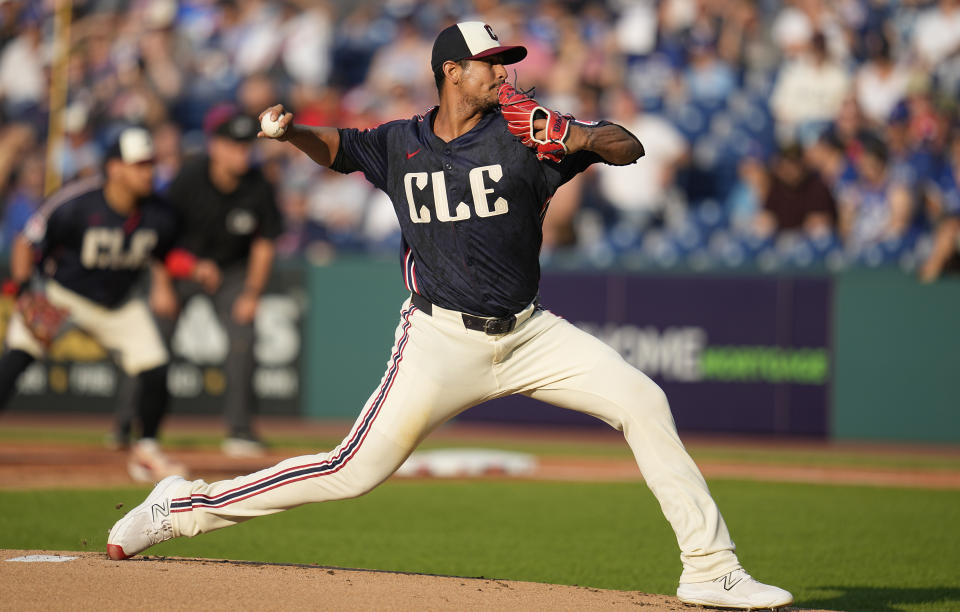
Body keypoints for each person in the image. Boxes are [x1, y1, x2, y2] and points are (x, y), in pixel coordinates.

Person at [106, 22, 793, 610]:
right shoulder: (402, 141)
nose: (502, 73)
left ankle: (709, 569)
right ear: (450, 72)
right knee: (350, 471)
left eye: (505, 63)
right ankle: (181, 507)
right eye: (490, 64)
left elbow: (628, 147)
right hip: (439, 337)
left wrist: (575, 135)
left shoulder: (527, 135)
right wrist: (293, 136)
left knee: (643, 400)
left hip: (529, 334)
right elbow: (340, 148)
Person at [0, 127, 187, 482]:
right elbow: (26, 242)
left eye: (151, 164)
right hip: (61, 295)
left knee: (155, 368)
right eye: (140, 165)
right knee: (18, 355)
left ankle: (146, 448)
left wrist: (163, 285)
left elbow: (161, 253)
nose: (148, 172)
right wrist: (25, 291)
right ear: (115, 168)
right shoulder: (77, 200)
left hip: (118, 303)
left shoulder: (160, 212)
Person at [114, 105, 283, 457]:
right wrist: (163, 285)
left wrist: (252, 293)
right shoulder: (189, 178)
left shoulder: (258, 186)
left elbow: (265, 244)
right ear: (215, 147)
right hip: (180, 269)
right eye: (233, 144)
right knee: (150, 340)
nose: (241, 151)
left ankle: (240, 429)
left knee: (243, 339)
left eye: (244, 145)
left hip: (232, 272)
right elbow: (159, 236)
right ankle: (126, 424)